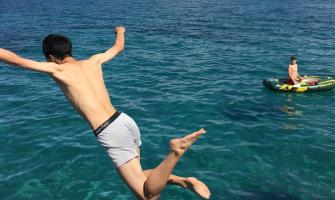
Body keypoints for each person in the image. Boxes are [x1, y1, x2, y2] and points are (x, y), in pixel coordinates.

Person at [0, 26, 210, 200]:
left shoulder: (57, 69)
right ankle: (183, 181)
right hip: (125, 120)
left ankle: (176, 152)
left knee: (147, 196)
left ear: (51, 57)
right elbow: (118, 47)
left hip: (108, 130)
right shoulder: (94, 61)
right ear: (70, 50)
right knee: (139, 177)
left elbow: (16, 60)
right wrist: (120, 31)